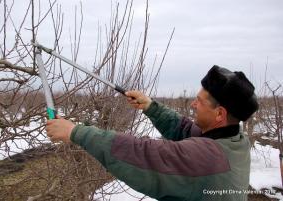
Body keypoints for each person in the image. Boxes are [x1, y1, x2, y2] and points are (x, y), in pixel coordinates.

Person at [46, 65, 259, 201]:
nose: (193, 104)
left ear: (220, 114)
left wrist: (76, 132)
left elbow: (143, 153)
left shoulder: (208, 158)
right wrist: (150, 106)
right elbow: (186, 129)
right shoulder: (235, 141)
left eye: (200, 102)